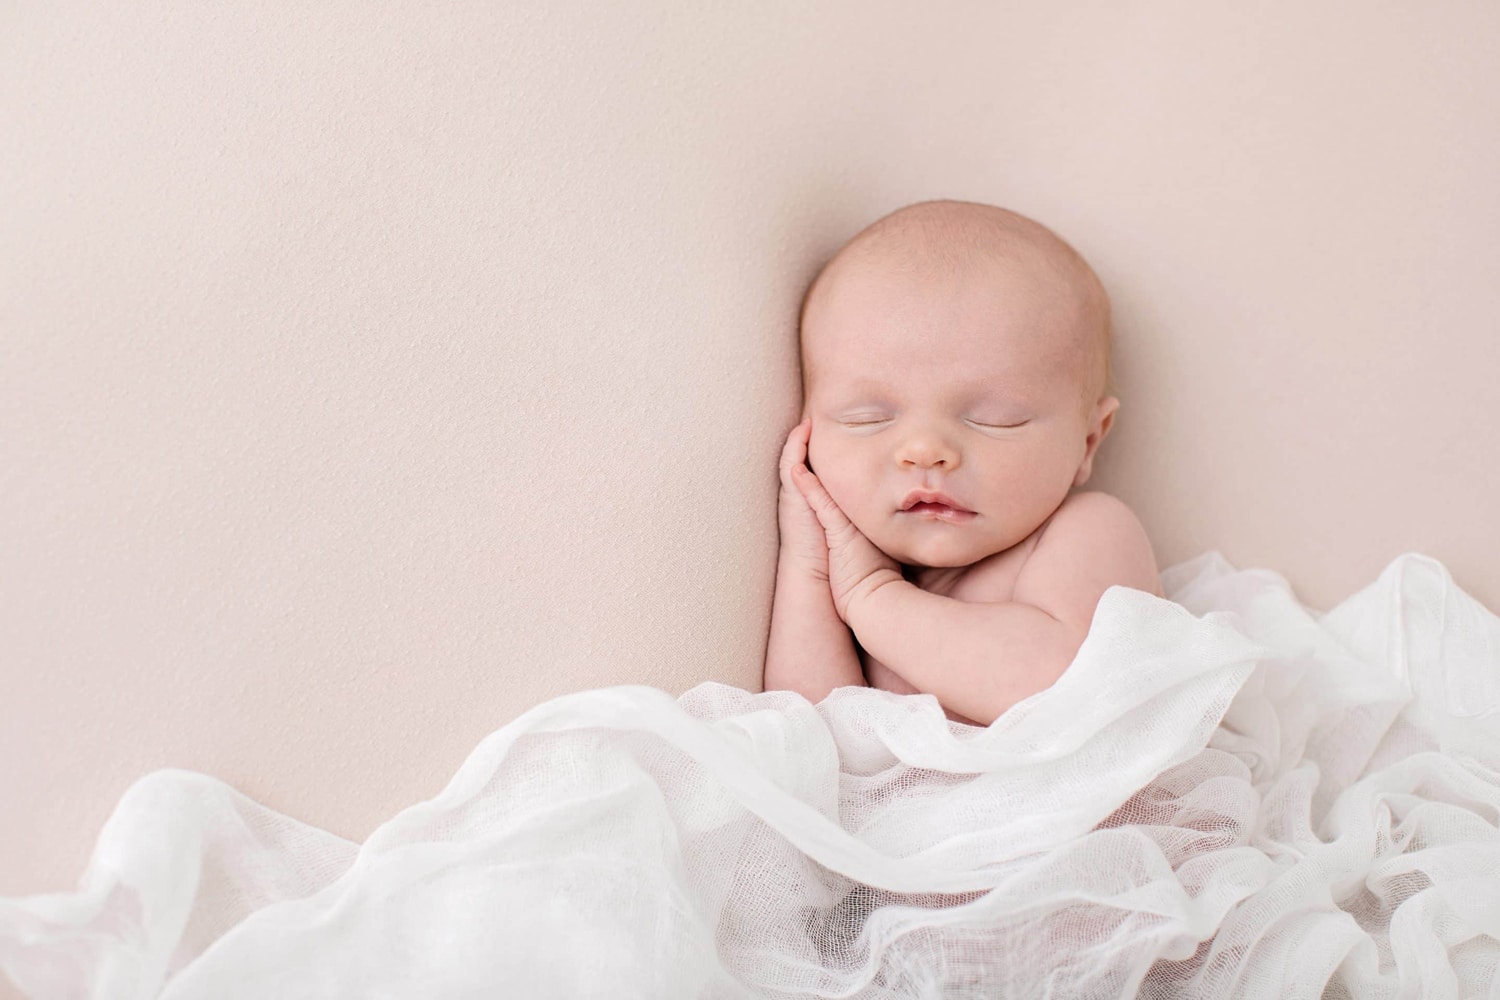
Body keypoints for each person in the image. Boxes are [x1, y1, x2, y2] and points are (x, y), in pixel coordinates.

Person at [762, 199, 1164, 726]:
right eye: (867, 418)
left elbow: (1062, 686)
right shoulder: (857, 564)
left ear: (1087, 442)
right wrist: (809, 565)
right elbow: (811, 730)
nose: (926, 451)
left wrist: (872, 598)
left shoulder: (1088, 533)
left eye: (994, 419)